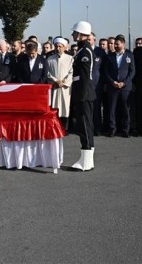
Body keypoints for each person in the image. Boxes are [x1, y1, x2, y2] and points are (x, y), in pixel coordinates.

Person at [70, 21, 96, 171]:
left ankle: (86, 161)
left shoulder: (85, 52)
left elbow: (85, 77)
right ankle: (87, 159)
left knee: (84, 125)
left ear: (81, 34)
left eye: (75, 32)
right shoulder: (82, 50)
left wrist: (82, 95)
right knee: (85, 124)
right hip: (82, 92)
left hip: (84, 93)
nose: (73, 34)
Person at [103, 35, 135, 138]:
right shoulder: (109, 56)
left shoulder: (129, 56)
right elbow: (106, 72)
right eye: (114, 44)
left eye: (117, 44)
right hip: (112, 87)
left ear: (123, 44)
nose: (115, 46)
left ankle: (126, 130)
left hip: (125, 87)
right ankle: (113, 129)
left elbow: (132, 71)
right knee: (112, 109)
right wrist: (112, 82)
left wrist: (124, 83)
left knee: (126, 109)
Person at [46, 37, 74, 130]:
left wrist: (64, 82)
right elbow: (48, 73)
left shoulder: (70, 58)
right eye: (56, 46)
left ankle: (65, 128)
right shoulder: (50, 59)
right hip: (55, 87)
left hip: (65, 88)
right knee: (55, 107)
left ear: (64, 47)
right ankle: (55, 128)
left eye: (60, 46)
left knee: (65, 107)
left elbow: (71, 72)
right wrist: (56, 81)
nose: (58, 48)